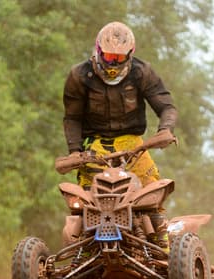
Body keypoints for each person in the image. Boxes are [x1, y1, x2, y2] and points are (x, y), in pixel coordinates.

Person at [62, 21, 178, 190]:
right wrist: (74, 151)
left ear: (130, 54)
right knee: (85, 197)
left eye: (119, 58)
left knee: (153, 189)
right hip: (94, 147)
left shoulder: (142, 72)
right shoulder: (79, 75)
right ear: (99, 50)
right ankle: (82, 217)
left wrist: (165, 130)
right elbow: (72, 117)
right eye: (109, 57)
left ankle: (156, 217)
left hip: (133, 146)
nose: (114, 63)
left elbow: (167, 107)